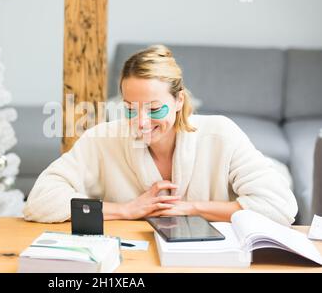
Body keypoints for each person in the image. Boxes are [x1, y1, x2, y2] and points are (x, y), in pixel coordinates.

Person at [23, 45, 298, 226]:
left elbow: (279, 207)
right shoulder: (103, 138)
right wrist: (127, 210)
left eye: (154, 109)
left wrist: (191, 208)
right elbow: (40, 202)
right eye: (130, 109)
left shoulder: (220, 134)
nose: (140, 122)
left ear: (179, 101)